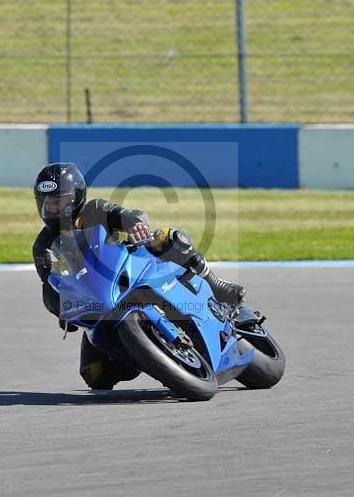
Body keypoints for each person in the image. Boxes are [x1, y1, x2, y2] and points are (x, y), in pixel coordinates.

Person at [32, 162, 245, 390]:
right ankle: (148, 356)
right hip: (97, 304)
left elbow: (126, 215)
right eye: (47, 203)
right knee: (94, 376)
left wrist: (136, 225)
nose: (52, 209)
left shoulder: (94, 209)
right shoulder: (43, 246)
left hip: (127, 271)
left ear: (76, 197)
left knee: (164, 237)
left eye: (59, 201)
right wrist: (61, 307)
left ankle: (216, 284)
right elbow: (49, 283)